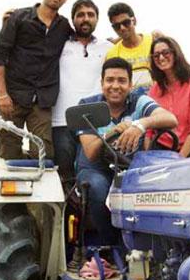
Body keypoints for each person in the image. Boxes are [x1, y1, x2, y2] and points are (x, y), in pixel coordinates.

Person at [75, 58, 177, 244]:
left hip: (129, 168)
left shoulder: (138, 101)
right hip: (94, 168)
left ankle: (150, 250)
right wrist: (114, 131)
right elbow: (90, 152)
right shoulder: (87, 105)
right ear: (102, 83)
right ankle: (111, 247)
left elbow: (170, 119)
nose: (115, 86)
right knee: (97, 187)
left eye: (122, 81)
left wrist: (140, 124)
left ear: (130, 85)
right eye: (110, 80)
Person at [0, 0, 73, 160]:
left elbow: (84, 40)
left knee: (43, 155)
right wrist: (1, 94)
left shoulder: (64, 27)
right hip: (13, 98)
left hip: (42, 101)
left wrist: (114, 41)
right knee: (9, 153)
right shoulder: (18, 18)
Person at [51, 0, 112, 181]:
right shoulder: (59, 45)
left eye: (90, 15)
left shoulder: (109, 48)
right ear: (73, 19)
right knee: (65, 177)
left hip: (94, 123)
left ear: (97, 19)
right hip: (61, 121)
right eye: (80, 15)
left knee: (91, 177)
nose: (86, 19)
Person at [148, 36, 190, 157]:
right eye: (156, 55)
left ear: (176, 54)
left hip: (187, 151)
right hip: (159, 151)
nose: (161, 57)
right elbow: (149, 131)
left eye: (166, 52)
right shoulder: (154, 89)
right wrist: (147, 156)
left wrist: (179, 160)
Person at [105, 3, 155, 90]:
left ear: (134, 21)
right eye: (117, 26)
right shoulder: (112, 54)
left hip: (158, 99)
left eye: (126, 23)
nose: (122, 28)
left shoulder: (153, 41)